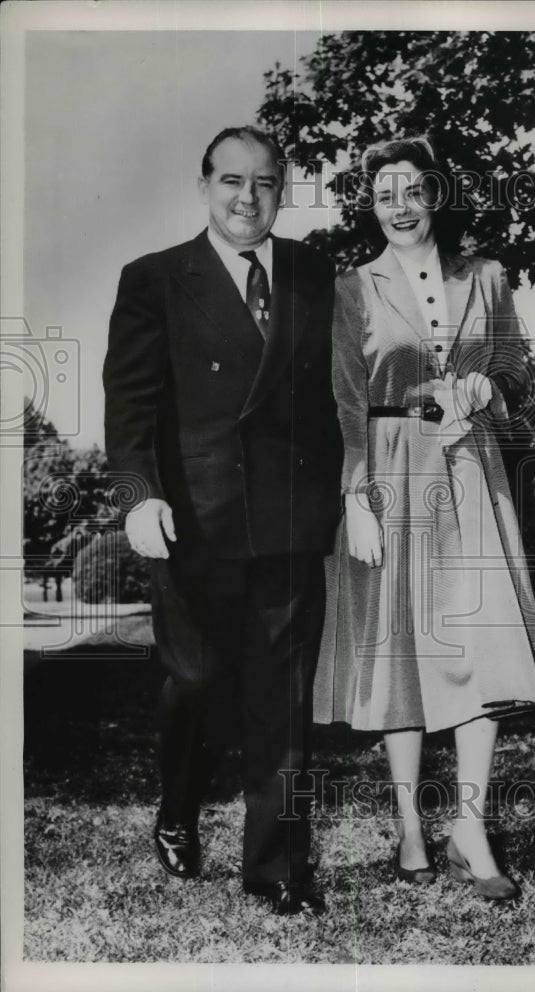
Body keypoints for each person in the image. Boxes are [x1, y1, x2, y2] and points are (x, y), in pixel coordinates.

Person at [103, 126, 342, 916]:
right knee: (197, 681)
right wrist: (139, 495)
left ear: (283, 188)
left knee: (284, 700)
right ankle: (178, 807)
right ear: (204, 185)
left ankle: (277, 868)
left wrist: (352, 498)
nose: (249, 198)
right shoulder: (155, 279)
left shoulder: (313, 274)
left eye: (266, 183)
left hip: (288, 521)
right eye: (232, 181)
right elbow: (131, 406)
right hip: (190, 522)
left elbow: (332, 399)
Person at [313, 136, 535, 901]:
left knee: (482, 640)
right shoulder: (350, 289)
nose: (398, 204)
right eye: (384, 192)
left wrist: (485, 386)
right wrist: (355, 499)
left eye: (412, 189)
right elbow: (344, 403)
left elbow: (515, 360)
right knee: (401, 651)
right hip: (389, 471)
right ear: (371, 205)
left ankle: (470, 827)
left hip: (467, 465)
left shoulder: (484, 275)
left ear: (436, 196)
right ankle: (411, 830)